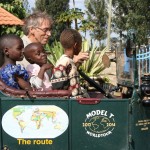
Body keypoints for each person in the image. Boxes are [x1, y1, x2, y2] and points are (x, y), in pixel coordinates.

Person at [17, 11, 89, 68]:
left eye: (50, 30)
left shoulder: (38, 49)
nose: (49, 34)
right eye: (45, 30)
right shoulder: (21, 49)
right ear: (32, 29)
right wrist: (70, 62)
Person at [51, 29, 89, 98]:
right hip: (70, 105)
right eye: (80, 45)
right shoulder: (64, 62)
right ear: (75, 45)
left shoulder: (69, 61)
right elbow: (57, 86)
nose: (81, 48)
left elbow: (68, 79)